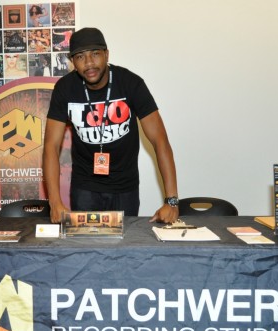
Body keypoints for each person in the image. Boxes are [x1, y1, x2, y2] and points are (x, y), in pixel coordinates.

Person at [43, 27, 179, 224]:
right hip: (85, 187)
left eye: (95, 54)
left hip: (125, 187)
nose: (89, 63)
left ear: (106, 54)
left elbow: (160, 141)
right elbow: (51, 146)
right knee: (85, 243)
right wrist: (54, 202)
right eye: (80, 57)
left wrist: (172, 201)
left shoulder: (131, 84)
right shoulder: (65, 88)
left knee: (125, 243)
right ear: (72, 62)